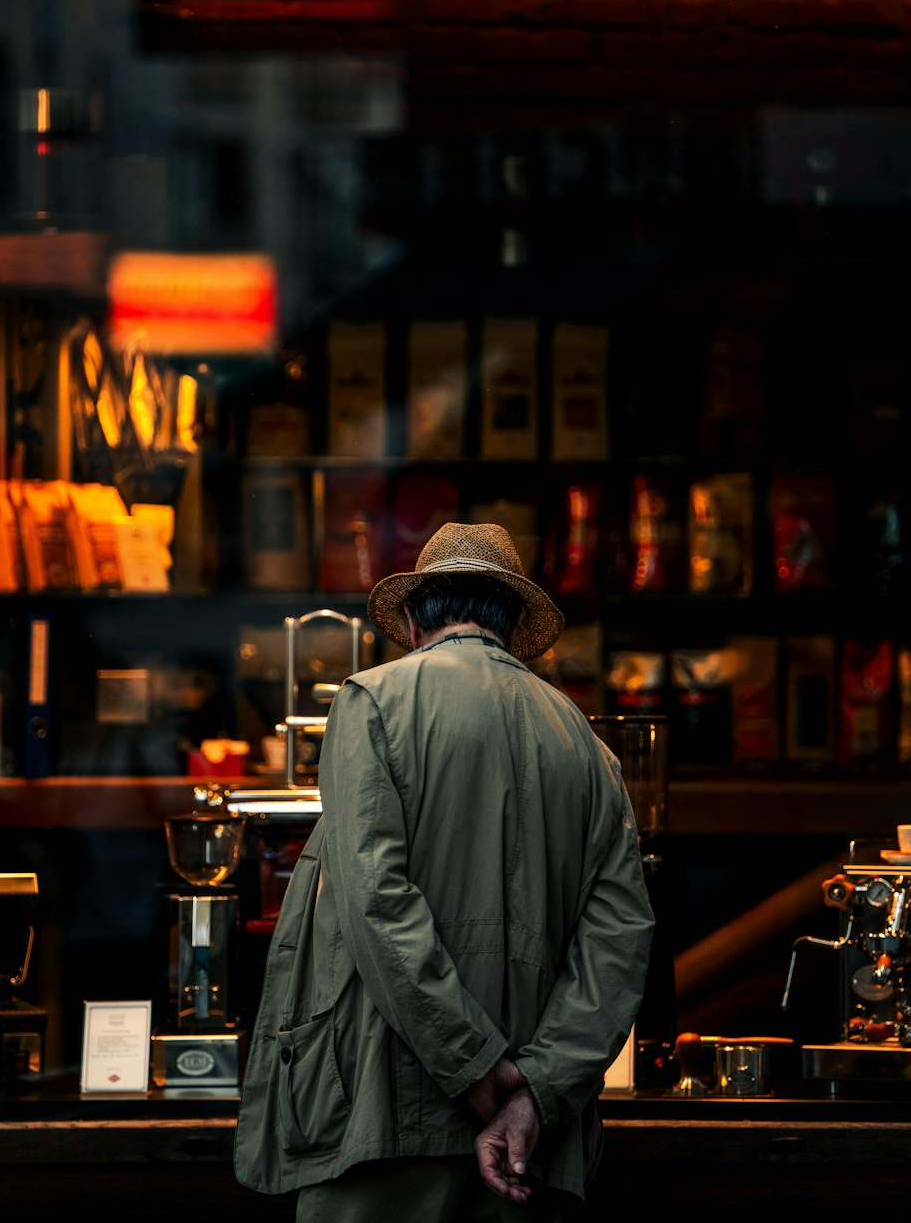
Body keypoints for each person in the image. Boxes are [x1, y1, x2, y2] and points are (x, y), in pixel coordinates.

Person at [234, 521, 656, 1221]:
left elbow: (379, 904)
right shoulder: (586, 744)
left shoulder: (372, 701)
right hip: (531, 1145)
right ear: (516, 621)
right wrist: (533, 1093)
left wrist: (476, 1070)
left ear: (408, 617)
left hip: (385, 1119)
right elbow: (618, 944)